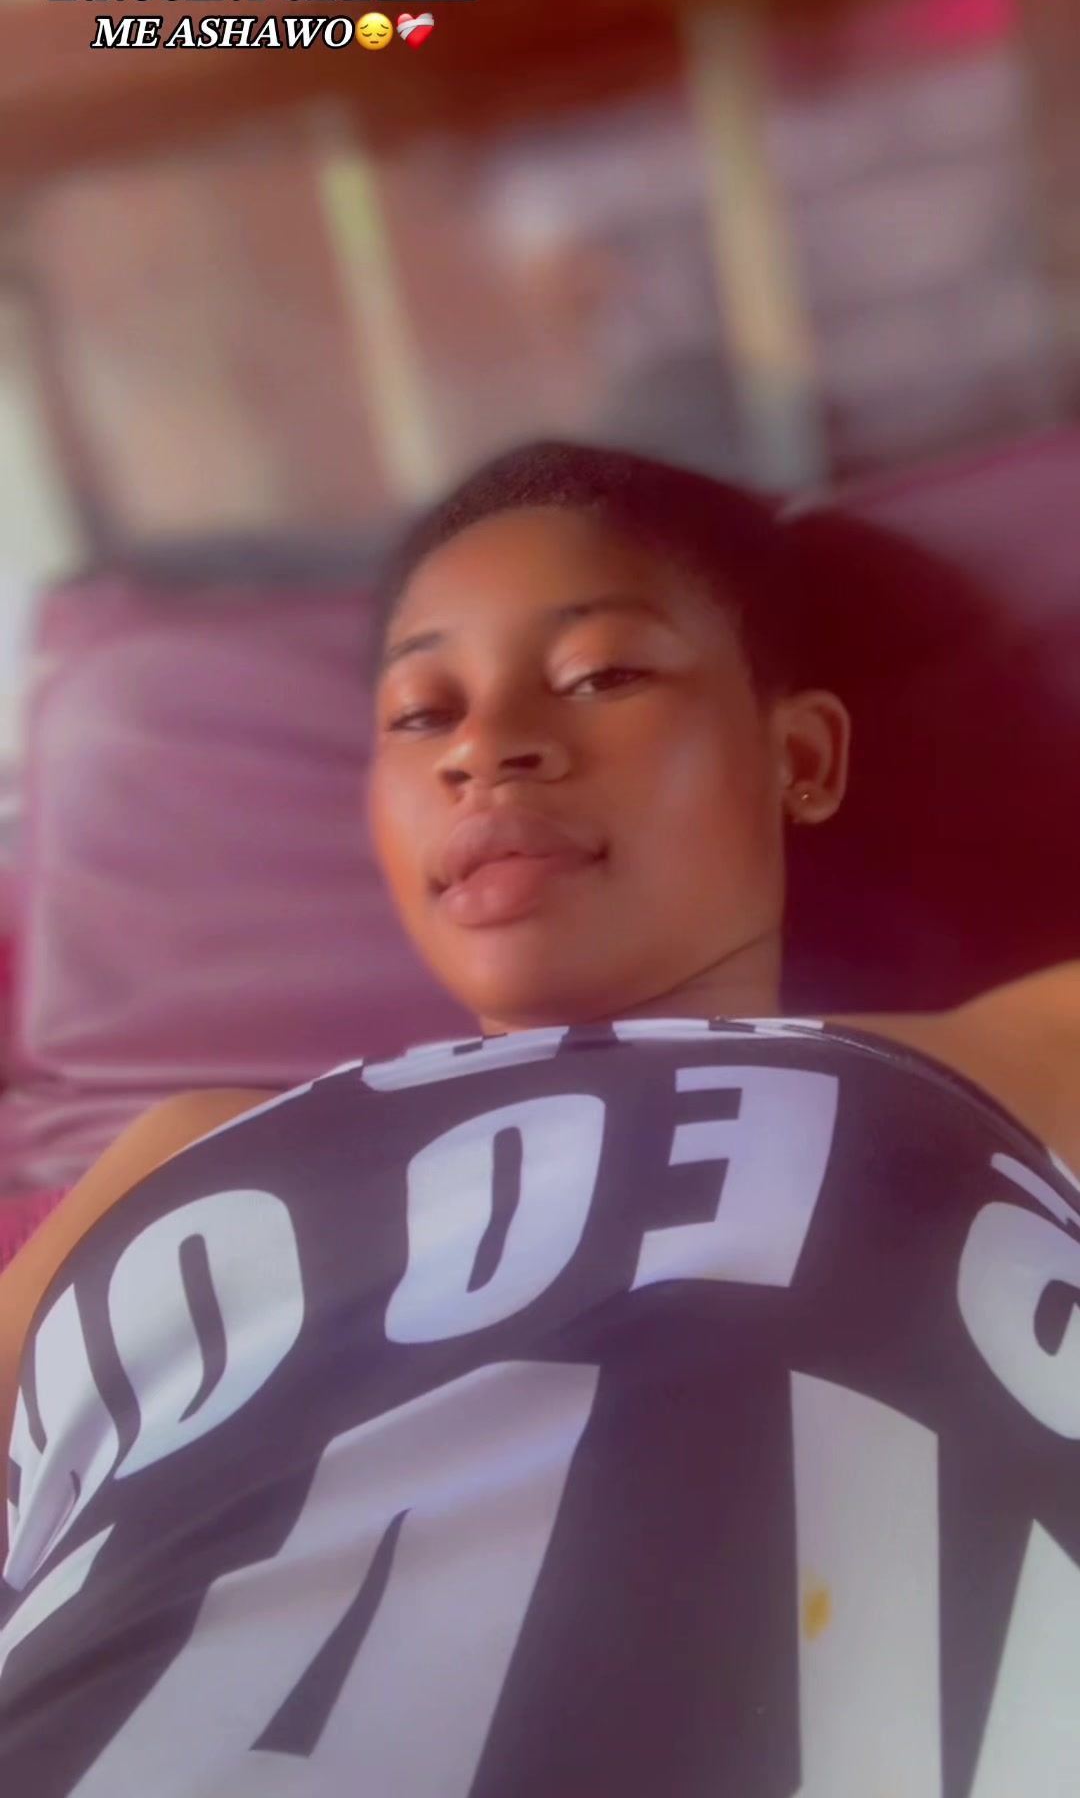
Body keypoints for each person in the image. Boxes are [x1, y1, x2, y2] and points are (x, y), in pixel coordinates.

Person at [1, 439, 1078, 1795]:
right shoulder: (180, 1147)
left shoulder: (1026, 1065)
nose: (484, 746)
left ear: (797, 754)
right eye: (420, 713)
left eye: (601, 674)